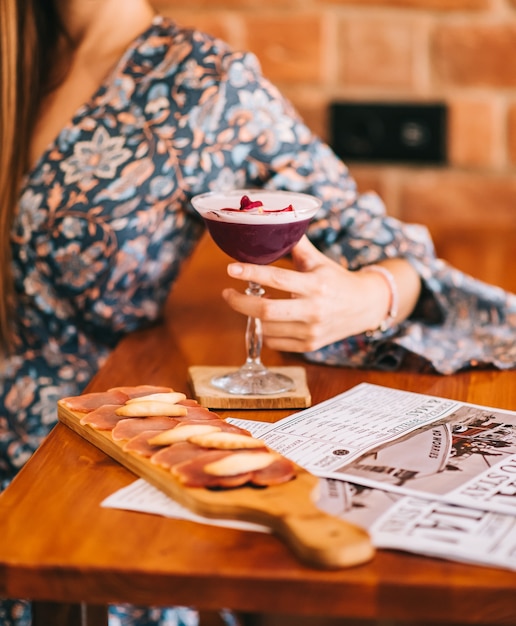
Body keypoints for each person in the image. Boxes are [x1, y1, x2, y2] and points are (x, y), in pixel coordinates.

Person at [1, 0, 516, 624]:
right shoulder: (14, 51)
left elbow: (386, 248)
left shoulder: (203, 83)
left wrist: (368, 297)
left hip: (77, 443)